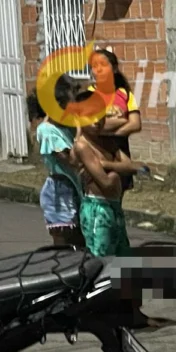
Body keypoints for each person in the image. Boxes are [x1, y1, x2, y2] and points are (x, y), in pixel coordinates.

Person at [72, 91, 144, 258]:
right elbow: (106, 182)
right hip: (98, 209)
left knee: (122, 255)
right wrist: (117, 171)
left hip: (114, 206)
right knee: (101, 259)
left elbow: (131, 166)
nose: (97, 121)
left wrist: (105, 164)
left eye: (100, 115)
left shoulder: (106, 141)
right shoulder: (82, 146)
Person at [26, 82, 86, 247]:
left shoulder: (65, 128)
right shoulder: (47, 131)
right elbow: (72, 160)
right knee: (65, 243)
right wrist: (80, 129)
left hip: (75, 188)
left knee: (81, 242)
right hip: (61, 193)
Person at [89, 47, 141, 195]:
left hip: (120, 151)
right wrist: (123, 120)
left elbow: (135, 123)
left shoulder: (125, 94)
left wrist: (110, 132)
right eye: (94, 66)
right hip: (97, 150)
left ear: (115, 69)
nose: (98, 69)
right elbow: (95, 126)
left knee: (119, 194)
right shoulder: (88, 95)